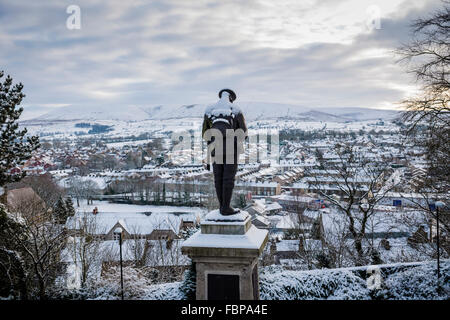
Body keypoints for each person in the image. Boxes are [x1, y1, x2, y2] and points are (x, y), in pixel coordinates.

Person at [202, 89, 247, 215]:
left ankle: (222, 206)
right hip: (231, 148)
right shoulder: (236, 110)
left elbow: (204, 134)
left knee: (218, 178)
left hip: (214, 147)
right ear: (231, 98)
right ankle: (226, 208)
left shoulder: (209, 110)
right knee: (228, 178)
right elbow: (243, 133)